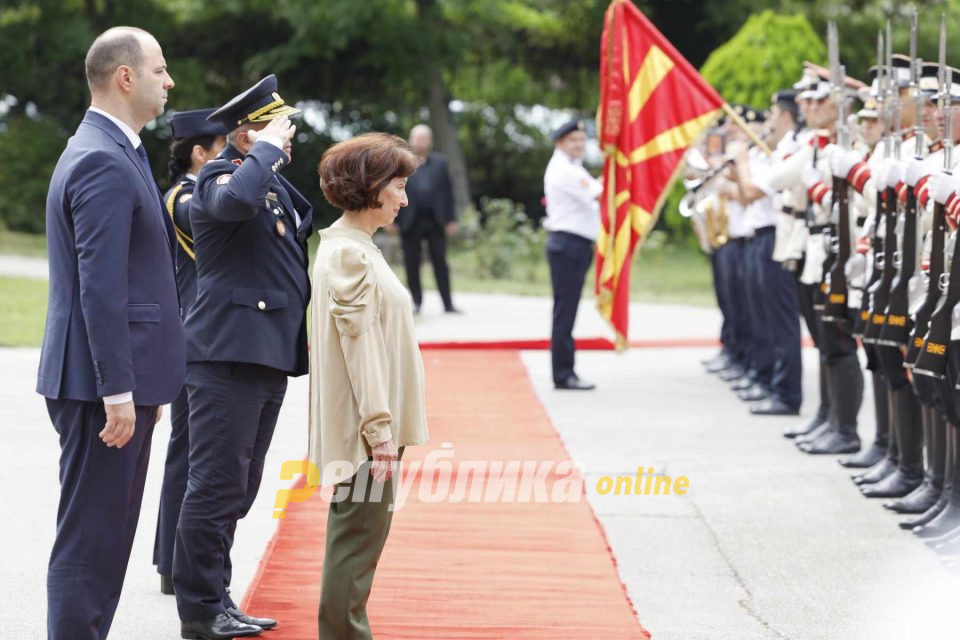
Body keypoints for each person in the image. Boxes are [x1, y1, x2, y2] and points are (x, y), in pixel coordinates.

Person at [36, 26, 183, 639]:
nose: (169, 81)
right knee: (92, 543)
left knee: (107, 541)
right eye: (159, 69)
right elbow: (101, 289)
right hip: (100, 387)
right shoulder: (101, 155)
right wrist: (118, 391)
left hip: (114, 382)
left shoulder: (115, 147)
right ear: (126, 77)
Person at [172, 75, 312, 640]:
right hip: (226, 355)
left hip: (264, 355)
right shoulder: (218, 178)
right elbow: (233, 203)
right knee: (213, 485)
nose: (290, 139)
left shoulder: (269, 186)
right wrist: (262, 153)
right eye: (279, 130)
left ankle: (217, 596)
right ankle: (200, 611)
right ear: (248, 137)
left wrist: (269, 159)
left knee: (239, 487)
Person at [311, 132, 430, 639]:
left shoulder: (357, 248)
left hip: (372, 428)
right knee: (355, 548)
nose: (404, 198)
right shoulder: (349, 256)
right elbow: (360, 352)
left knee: (359, 546)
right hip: (366, 434)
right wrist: (379, 431)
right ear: (369, 186)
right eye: (397, 185)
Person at [153, 108, 227, 595]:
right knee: (189, 449)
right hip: (194, 335)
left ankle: (170, 560)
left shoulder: (198, 190)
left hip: (197, 332)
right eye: (221, 147)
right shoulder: (184, 195)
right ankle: (173, 561)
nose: (231, 156)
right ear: (199, 153)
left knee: (188, 447)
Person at [543, 119, 601, 390]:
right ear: (560, 143)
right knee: (565, 312)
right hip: (568, 245)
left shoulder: (573, 167)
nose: (579, 144)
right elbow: (600, 194)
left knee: (567, 310)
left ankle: (565, 370)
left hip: (574, 244)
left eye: (582, 139)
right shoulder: (564, 170)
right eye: (573, 140)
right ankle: (564, 373)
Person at [393, 123, 459, 313]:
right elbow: (393, 190)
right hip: (409, 221)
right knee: (411, 262)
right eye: (417, 137)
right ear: (410, 139)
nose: (420, 141)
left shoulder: (440, 163)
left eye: (424, 138)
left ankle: (448, 303)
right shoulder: (401, 163)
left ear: (430, 141)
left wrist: (451, 219)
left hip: (436, 220)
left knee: (440, 261)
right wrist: (392, 219)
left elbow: (448, 193)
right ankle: (416, 302)